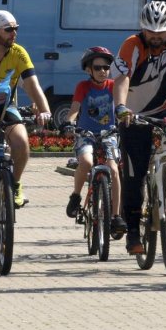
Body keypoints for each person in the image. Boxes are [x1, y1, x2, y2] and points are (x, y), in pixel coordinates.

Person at [113, 0, 166, 255]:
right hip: (135, 114)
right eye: (151, 32)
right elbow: (122, 78)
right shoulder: (133, 44)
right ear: (143, 29)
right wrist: (121, 107)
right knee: (134, 174)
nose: (156, 37)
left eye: (161, 32)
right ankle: (133, 232)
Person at [0, 10, 52, 207]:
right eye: (8, 29)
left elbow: (32, 84)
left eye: (16, 29)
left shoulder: (18, 52)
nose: (14, 33)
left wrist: (45, 110)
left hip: (5, 107)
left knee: (21, 143)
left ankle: (15, 183)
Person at [64, 47, 126, 234]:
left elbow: (122, 106)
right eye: (97, 67)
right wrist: (69, 122)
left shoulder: (114, 85)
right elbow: (75, 108)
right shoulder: (83, 87)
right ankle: (76, 196)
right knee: (86, 162)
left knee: (113, 168)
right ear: (88, 70)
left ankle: (116, 216)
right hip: (86, 133)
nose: (102, 71)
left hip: (109, 133)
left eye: (106, 67)